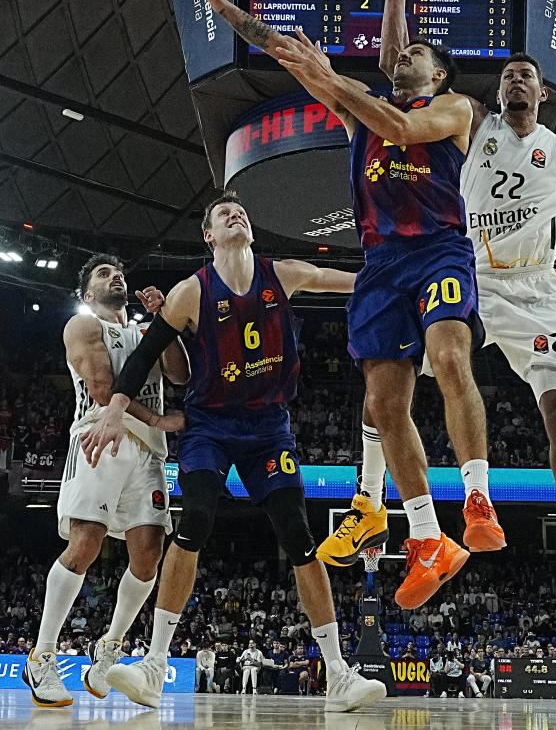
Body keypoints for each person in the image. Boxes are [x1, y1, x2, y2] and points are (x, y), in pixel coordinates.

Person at [340, 0, 556, 639]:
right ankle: (366, 502)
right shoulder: (466, 120)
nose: (514, 80)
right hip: (465, 266)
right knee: (391, 376)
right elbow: (397, 67)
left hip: (536, 284)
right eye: (506, 73)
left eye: (525, 76)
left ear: (540, 95)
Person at [179, 0, 504, 609]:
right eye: (400, 52)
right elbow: (277, 48)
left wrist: (330, 78)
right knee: (384, 406)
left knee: (447, 354)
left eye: (413, 54)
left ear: (435, 72)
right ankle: (425, 539)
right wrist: (218, 4)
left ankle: (476, 496)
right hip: (380, 263)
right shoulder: (362, 110)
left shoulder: (455, 109)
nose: (400, 57)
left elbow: (400, 125)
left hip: (439, 250)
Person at [79, 193, 386, 713]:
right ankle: (154, 664)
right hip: (211, 426)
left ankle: (337, 673)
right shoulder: (189, 294)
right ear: (209, 236)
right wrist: (114, 410)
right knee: (194, 519)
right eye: (224, 215)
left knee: (298, 534)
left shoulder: (283, 273)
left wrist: (400, 277)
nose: (236, 215)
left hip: (269, 427)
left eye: (241, 211)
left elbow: (352, 281)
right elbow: (147, 355)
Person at [23, 255, 188, 708]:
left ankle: (109, 647)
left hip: (148, 452)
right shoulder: (82, 324)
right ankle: (42, 654)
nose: (116, 276)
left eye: (119, 271)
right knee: (85, 543)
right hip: (100, 436)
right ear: (87, 293)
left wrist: (165, 322)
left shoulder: (143, 330)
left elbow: (180, 374)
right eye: (102, 273)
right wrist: (157, 417)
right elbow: (101, 389)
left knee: (149, 556)